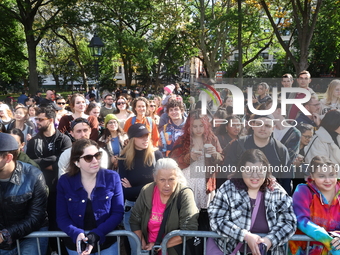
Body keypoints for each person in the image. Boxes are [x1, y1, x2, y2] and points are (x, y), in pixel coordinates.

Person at [208, 149, 297, 255]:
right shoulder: (228, 188)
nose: (255, 176)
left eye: (260, 170)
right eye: (249, 170)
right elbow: (217, 219)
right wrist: (245, 236)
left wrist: (269, 241)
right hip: (230, 251)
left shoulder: (276, 191)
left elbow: (289, 222)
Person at [57, 139, 124, 255]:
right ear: (77, 162)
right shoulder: (65, 182)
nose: (95, 161)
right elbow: (62, 217)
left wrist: (98, 233)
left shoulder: (112, 177)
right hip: (77, 246)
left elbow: (117, 213)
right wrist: (76, 233)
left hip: (107, 244)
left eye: (97, 155)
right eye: (88, 158)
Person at [130, 158, 199, 254]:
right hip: (150, 249)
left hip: (175, 251)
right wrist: (143, 245)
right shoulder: (147, 191)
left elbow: (189, 228)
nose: (167, 185)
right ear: (154, 177)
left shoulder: (184, 194)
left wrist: (160, 245)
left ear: (177, 177)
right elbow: (134, 220)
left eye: (171, 179)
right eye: (162, 180)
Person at [0, 133, 49, 254]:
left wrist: (5, 234)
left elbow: (36, 216)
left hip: (32, 234)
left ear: (8, 158)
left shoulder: (33, 176)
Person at [118, 123, 163, 255]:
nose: (145, 139)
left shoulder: (156, 155)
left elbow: (161, 185)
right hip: (132, 209)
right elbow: (124, 192)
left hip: (154, 208)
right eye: (141, 136)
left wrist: (135, 188)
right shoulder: (124, 158)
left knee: (154, 249)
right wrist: (151, 185)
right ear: (132, 139)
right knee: (138, 251)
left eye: (147, 136)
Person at [222, 115, 292, 194]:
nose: (263, 129)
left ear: (273, 128)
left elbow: (286, 180)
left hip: (270, 198)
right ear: (253, 126)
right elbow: (228, 168)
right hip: (241, 195)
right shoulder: (238, 145)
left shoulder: (281, 150)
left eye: (267, 126)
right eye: (259, 124)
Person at [170, 110, 223, 209]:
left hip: (205, 181)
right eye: (195, 126)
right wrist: (189, 158)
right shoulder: (182, 140)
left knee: (204, 212)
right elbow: (173, 161)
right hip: (187, 179)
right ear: (189, 126)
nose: (198, 129)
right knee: (187, 209)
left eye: (201, 126)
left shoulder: (212, 138)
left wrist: (215, 154)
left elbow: (221, 159)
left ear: (206, 125)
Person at [289, 156, 340, 255]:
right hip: (303, 252)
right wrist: (328, 240)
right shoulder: (303, 191)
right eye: (321, 176)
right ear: (312, 176)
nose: (327, 180)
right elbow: (301, 220)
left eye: (331, 175)